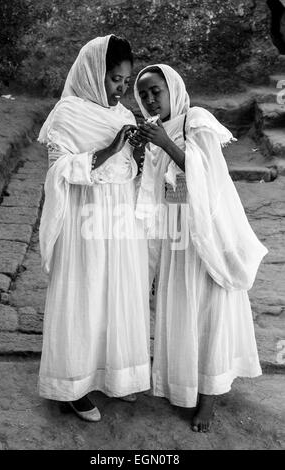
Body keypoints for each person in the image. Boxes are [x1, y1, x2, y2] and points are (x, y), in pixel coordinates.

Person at [133, 64, 268, 432]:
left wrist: (164, 144)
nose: (149, 99)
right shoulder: (156, 130)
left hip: (207, 230)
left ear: (172, 87)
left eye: (155, 90)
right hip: (177, 230)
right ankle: (186, 384)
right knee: (180, 307)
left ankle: (209, 396)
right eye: (142, 93)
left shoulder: (196, 120)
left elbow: (206, 177)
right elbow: (171, 189)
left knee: (209, 309)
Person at [37, 35, 150, 422]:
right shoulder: (67, 113)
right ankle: (72, 386)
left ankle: (114, 375)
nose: (122, 88)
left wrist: (134, 154)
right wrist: (110, 149)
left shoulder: (122, 115)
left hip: (119, 217)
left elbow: (128, 172)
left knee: (118, 290)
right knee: (84, 293)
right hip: (84, 216)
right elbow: (58, 170)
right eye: (116, 79)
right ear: (93, 73)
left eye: (126, 80)